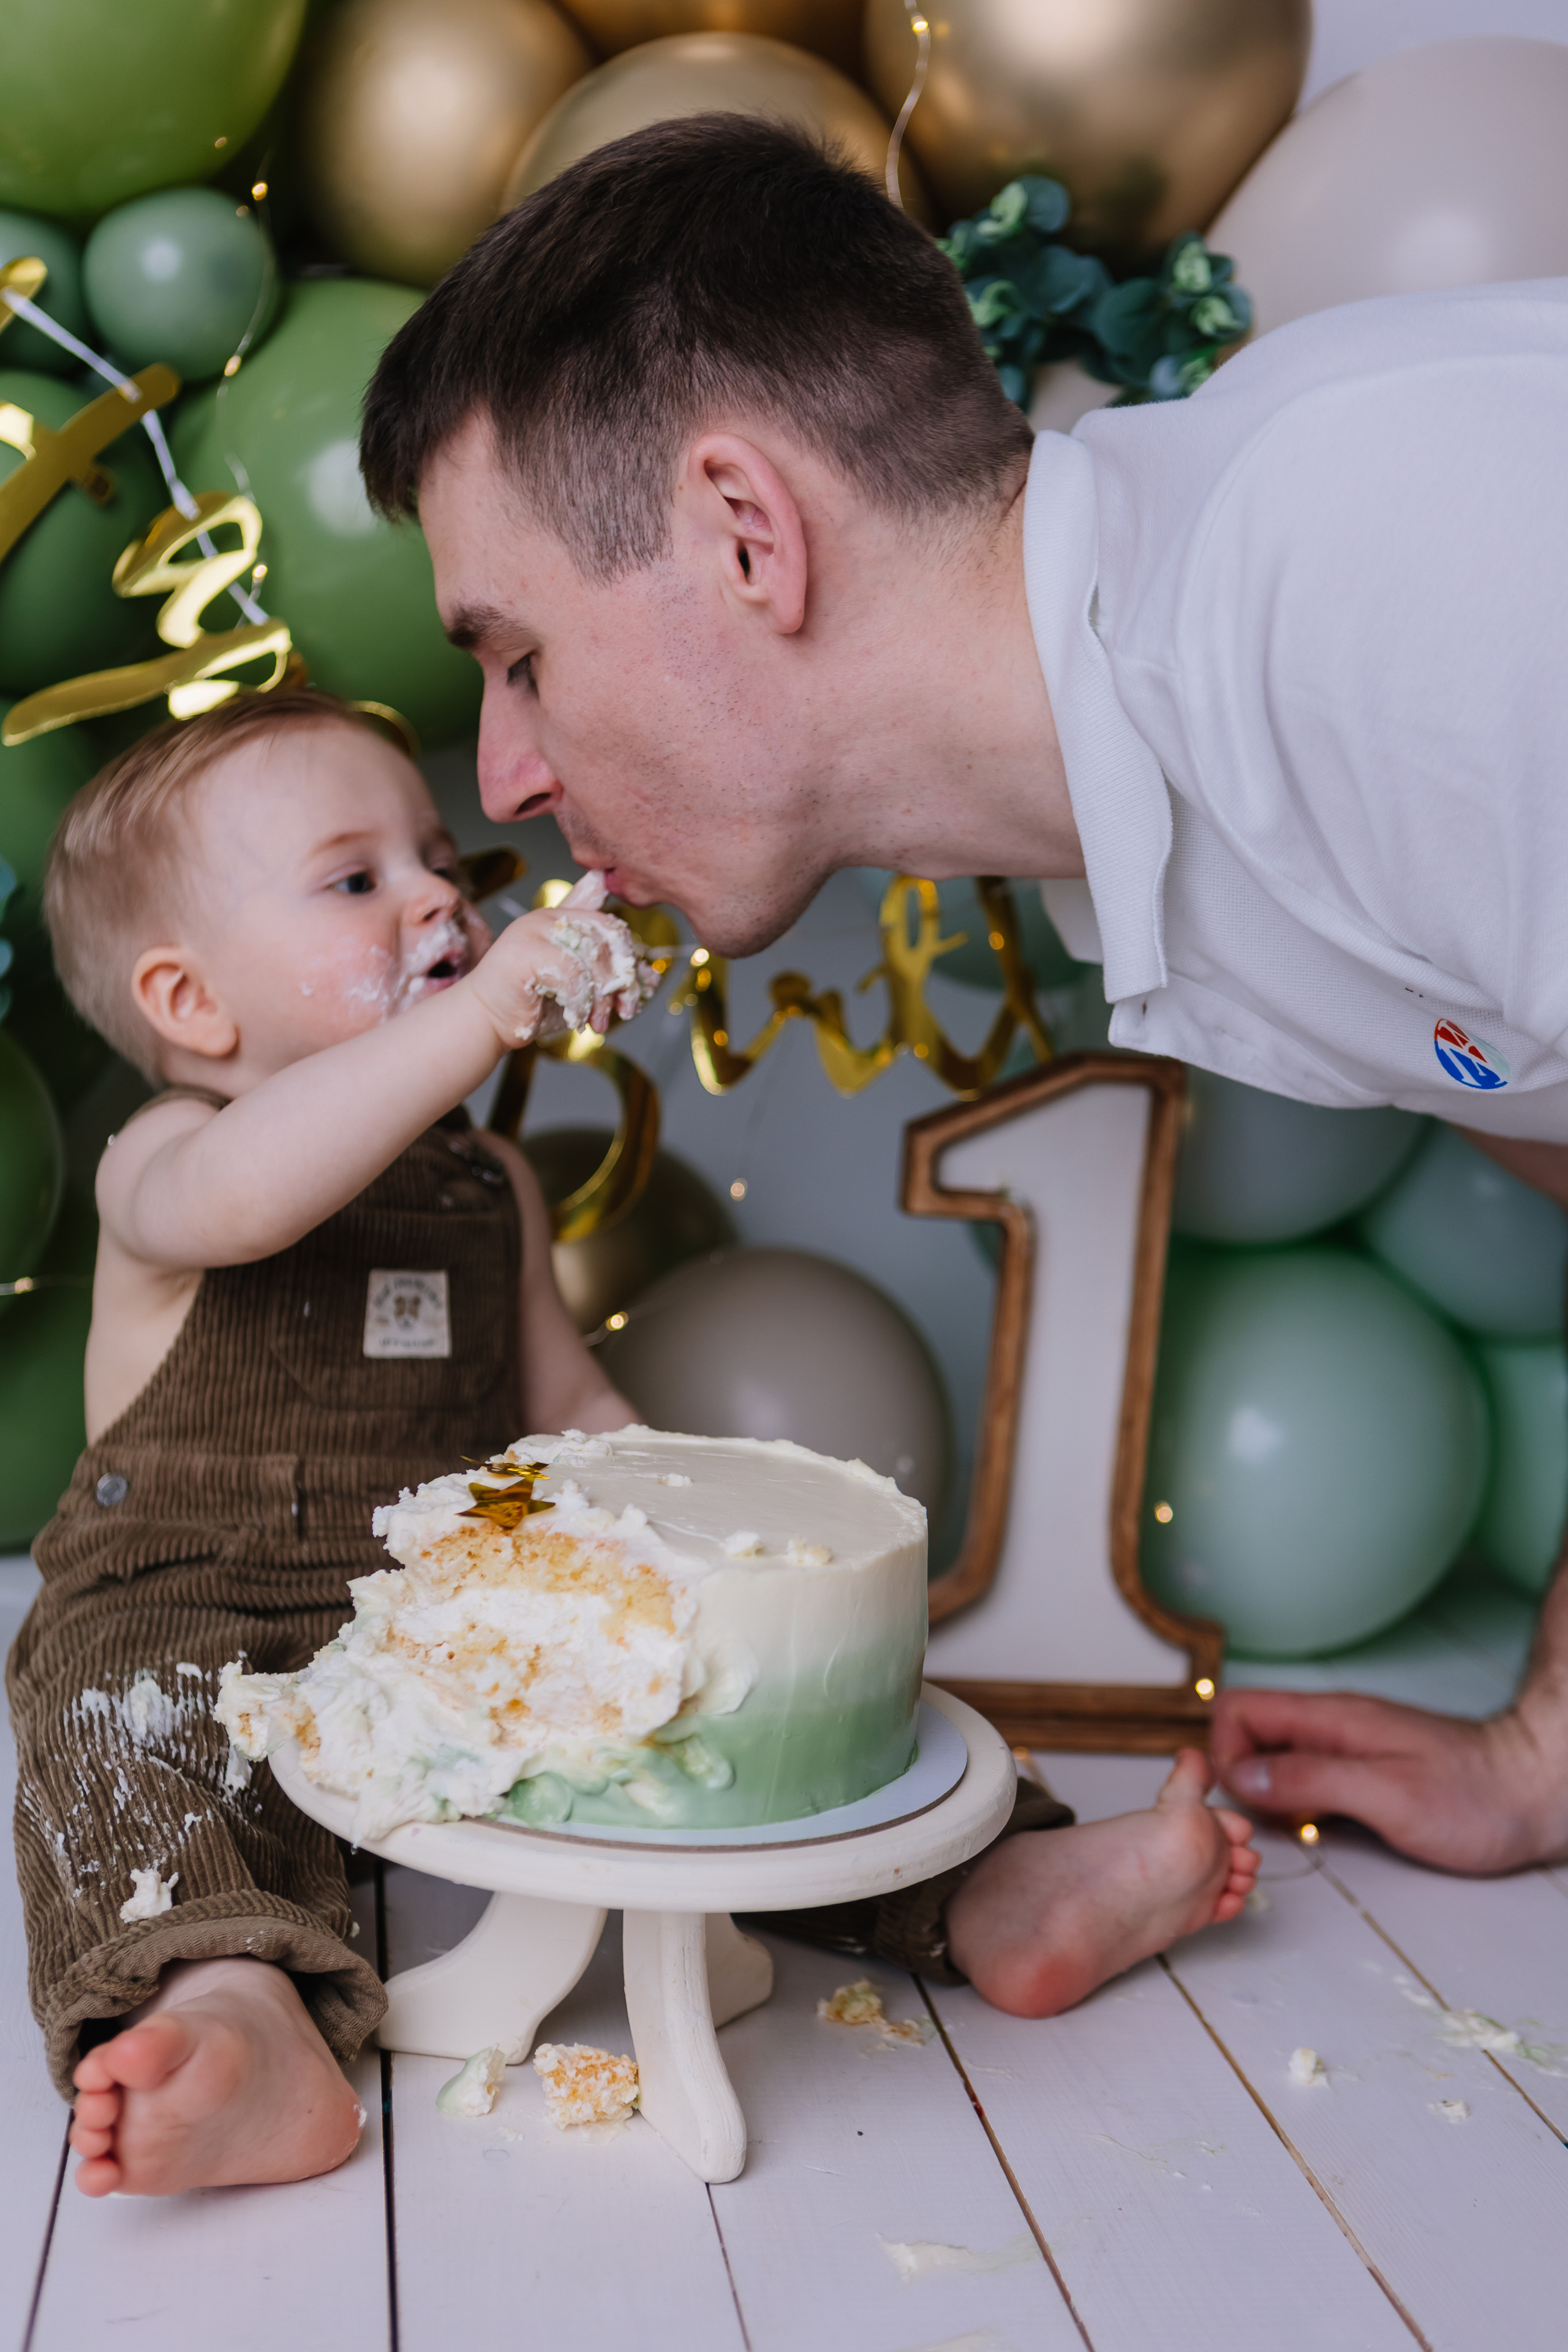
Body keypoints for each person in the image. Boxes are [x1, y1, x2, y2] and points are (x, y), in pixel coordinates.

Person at [358, 112, 1568, 1882]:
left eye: (520, 658)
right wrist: (1548, 1751)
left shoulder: (1370, 588)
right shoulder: (1150, 827)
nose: (508, 773)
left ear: (746, 533)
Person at [15, 687, 1257, 2201]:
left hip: (441, 1625)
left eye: (440, 868)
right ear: (190, 1005)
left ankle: (988, 1887)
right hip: (185, 1597)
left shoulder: (487, 1190)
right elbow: (256, 1198)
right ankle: (232, 2005)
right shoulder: (168, 1160)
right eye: (358, 881)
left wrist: (699, 1561)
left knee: (716, 1711)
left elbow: (573, 1421)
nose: (434, 898)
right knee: (123, 1725)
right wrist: (479, 1012)